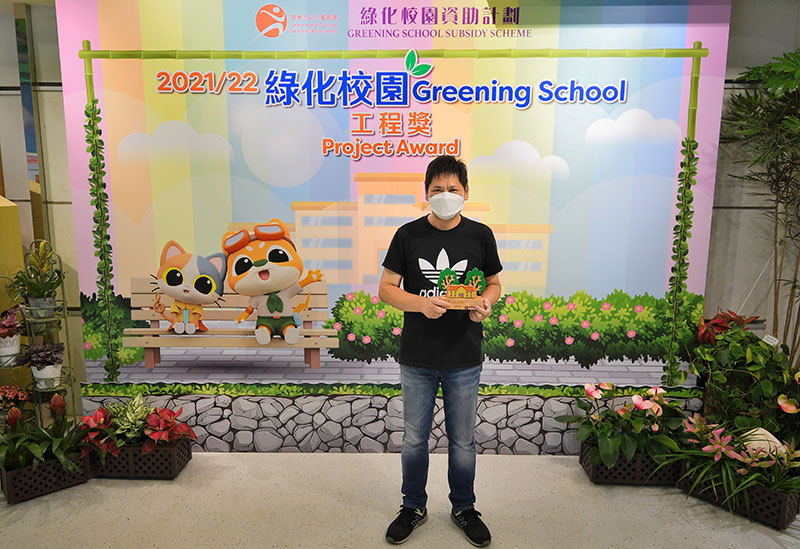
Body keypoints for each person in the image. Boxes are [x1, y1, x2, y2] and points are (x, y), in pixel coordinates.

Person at [379, 155, 502, 546]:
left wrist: (486, 302)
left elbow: (494, 284)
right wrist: (421, 304)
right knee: (414, 440)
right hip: (417, 357)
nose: (445, 195)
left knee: (463, 441)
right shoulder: (407, 235)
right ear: (426, 193)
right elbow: (386, 289)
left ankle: (464, 507)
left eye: (452, 189)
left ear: (465, 192)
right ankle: (413, 506)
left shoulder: (480, 235)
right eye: (437, 189)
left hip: (464, 357)